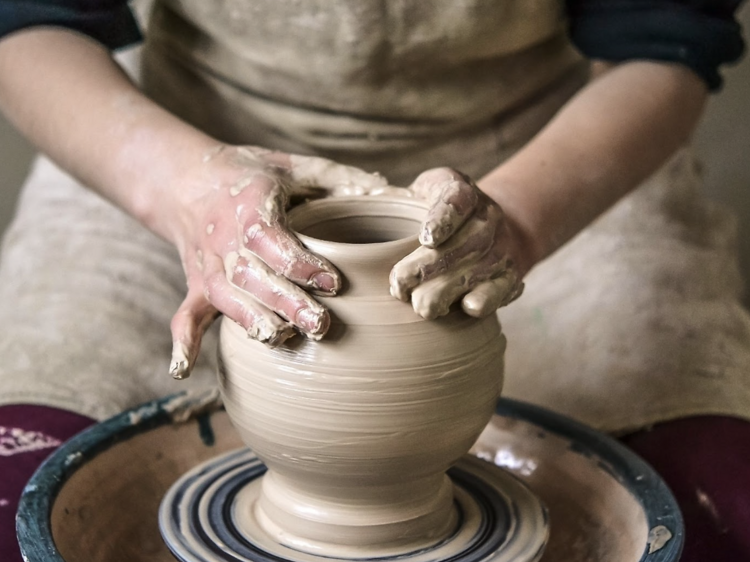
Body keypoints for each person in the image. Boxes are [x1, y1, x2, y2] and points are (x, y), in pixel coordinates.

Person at [0, 0, 748, 559]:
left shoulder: (528, 201)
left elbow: (666, 36)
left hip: (547, 166)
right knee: (15, 507)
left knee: (714, 514)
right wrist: (184, 190)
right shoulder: (182, 181)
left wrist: (518, 224)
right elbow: (30, 20)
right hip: (176, 158)